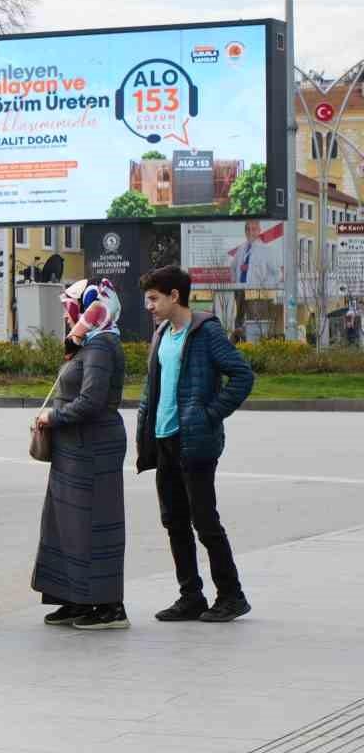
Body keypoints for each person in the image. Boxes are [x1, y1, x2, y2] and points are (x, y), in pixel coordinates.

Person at [135, 265, 255, 623]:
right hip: (165, 439)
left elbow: (243, 375)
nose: (149, 306)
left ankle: (232, 596)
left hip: (195, 441)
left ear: (175, 296)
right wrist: (145, 429)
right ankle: (191, 596)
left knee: (205, 522)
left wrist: (210, 414)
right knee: (174, 521)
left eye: (154, 298)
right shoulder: (161, 334)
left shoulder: (206, 332)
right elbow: (152, 387)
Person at [33, 279, 129, 629]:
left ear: (91, 307)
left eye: (72, 306)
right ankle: (75, 599)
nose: (67, 312)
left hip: (94, 447)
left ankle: (108, 605)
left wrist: (52, 416)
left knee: (93, 525)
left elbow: (91, 402)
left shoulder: (102, 345)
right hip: (73, 448)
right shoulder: (90, 342)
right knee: (66, 525)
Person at [225, 220, 280, 287]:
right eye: (248, 229)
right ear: (245, 231)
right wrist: (235, 283)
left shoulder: (267, 250)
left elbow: (277, 274)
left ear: (259, 230)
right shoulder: (241, 249)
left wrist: (264, 288)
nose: (250, 232)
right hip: (240, 292)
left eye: (253, 229)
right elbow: (233, 267)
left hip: (257, 294)